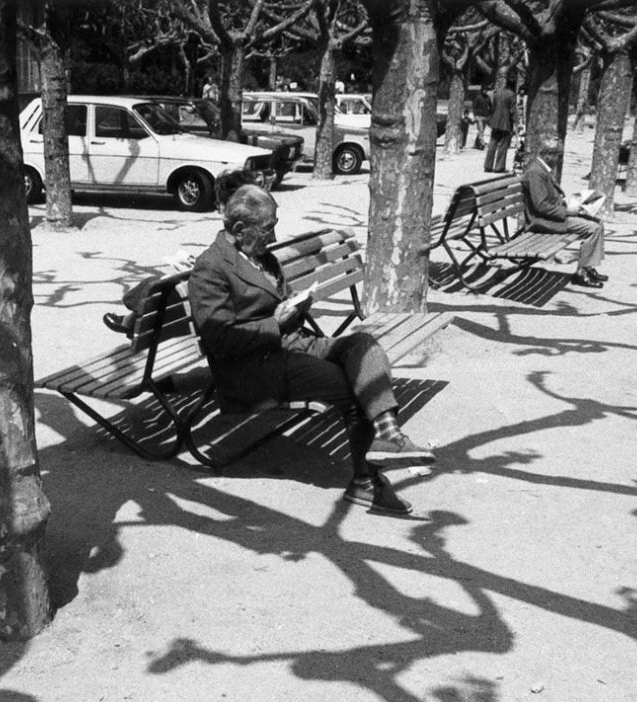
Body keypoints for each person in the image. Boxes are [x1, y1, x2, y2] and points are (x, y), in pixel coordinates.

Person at [187, 185, 436, 511]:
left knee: (362, 344)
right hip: (251, 369)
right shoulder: (212, 267)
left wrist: (294, 307)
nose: (274, 237)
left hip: (290, 345)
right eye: (267, 229)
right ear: (238, 229)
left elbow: (279, 304)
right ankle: (366, 482)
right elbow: (219, 339)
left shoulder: (262, 256)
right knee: (350, 385)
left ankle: (389, 433)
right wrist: (277, 324)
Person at [102, 169, 260, 337]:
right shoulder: (258, 236)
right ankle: (132, 320)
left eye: (219, 203)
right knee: (163, 286)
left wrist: (196, 268)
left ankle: (131, 321)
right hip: (239, 310)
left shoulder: (230, 241)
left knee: (158, 286)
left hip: (220, 324)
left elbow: (216, 272)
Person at [522, 137, 607, 288]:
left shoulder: (541, 169)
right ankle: (581, 273)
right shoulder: (535, 172)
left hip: (553, 216)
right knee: (592, 228)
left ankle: (587, 267)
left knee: (598, 222)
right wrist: (568, 211)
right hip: (543, 221)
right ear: (548, 155)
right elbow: (541, 206)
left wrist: (574, 202)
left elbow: (548, 200)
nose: (558, 159)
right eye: (557, 156)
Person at [484, 75, 517, 172]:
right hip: (505, 123)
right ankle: (499, 167)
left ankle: (488, 166)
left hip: (495, 121)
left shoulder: (497, 93)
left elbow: (492, 107)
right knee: (503, 145)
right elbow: (513, 110)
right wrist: (517, 123)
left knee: (492, 144)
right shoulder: (511, 95)